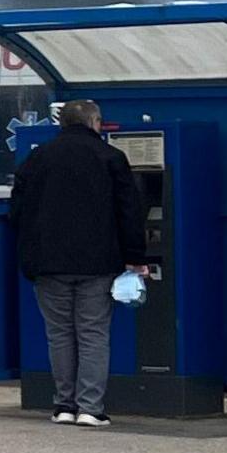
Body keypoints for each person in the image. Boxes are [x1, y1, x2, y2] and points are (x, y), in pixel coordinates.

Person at [8, 97, 146, 427]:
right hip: (98, 263)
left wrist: (31, 252)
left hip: (48, 264)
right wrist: (135, 258)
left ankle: (63, 406)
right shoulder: (111, 157)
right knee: (93, 334)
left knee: (59, 335)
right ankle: (90, 408)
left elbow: (17, 211)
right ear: (94, 122)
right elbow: (129, 213)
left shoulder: (37, 157)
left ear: (62, 123)